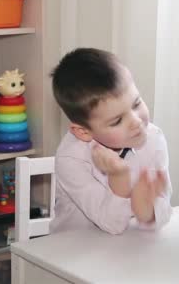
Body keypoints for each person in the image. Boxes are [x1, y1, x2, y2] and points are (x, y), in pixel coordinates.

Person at [49, 48, 172, 235]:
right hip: (73, 252)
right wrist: (119, 178)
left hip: (128, 249)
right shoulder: (71, 158)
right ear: (83, 131)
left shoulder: (152, 138)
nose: (136, 122)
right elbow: (112, 224)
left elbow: (162, 211)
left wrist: (147, 211)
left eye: (136, 104)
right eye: (117, 121)